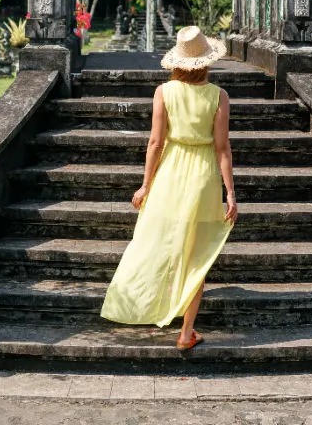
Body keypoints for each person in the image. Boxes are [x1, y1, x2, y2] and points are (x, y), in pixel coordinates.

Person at [100, 25, 238, 350]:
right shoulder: (219, 96)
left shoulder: (164, 92)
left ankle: (143, 303)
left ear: (177, 61)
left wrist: (145, 184)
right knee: (197, 255)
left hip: (171, 173)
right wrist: (230, 194)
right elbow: (223, 149)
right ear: (206, 61)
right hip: (204, 175)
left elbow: (155, 142)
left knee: (158, 241)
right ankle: (186, 332)